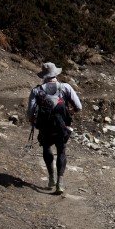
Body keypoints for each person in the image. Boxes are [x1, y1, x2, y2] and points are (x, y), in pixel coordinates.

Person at [27, 62, 82, 194]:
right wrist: (69, 113)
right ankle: (60, 182)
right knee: (61, 151)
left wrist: (34, 122)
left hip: (45, 126)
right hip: (61, 125)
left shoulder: (36, 90)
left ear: (44, 75)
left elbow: (30, 112)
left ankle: (51, 177)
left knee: (46, 148)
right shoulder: (65, 87)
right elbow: (78, 107)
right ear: (55, 74)